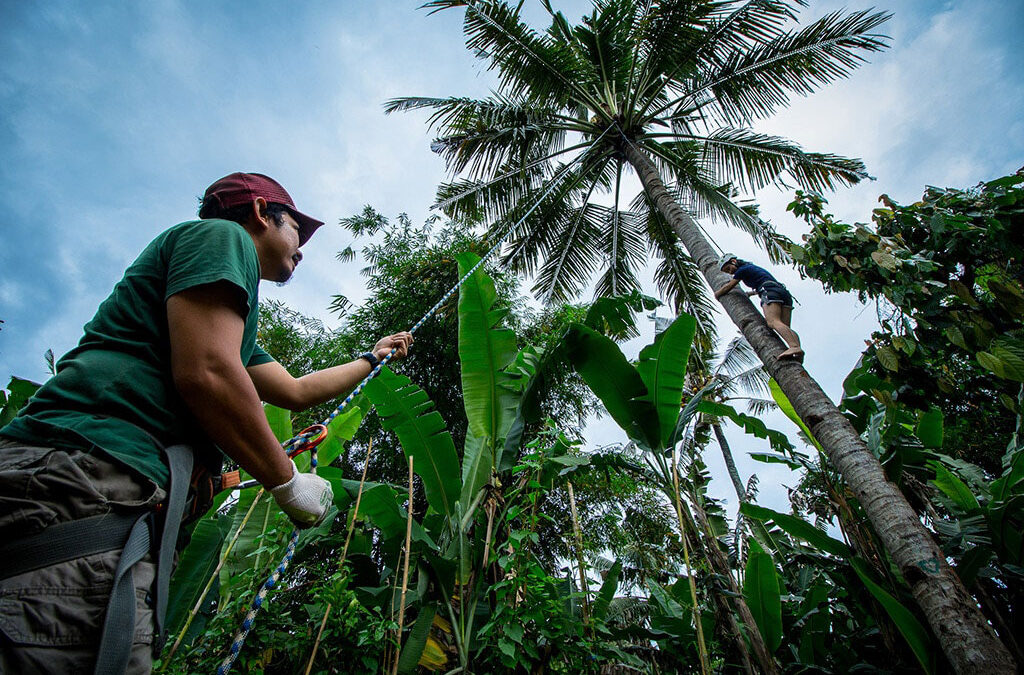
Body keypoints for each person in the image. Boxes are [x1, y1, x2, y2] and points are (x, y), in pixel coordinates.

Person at [0, 172, 413, 674]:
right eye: (296, 230)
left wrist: (372, 357)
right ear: (262, 213)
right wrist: (286, 482)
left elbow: (294, 390)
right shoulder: (223, 237)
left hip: (105, 492)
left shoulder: (226, 321)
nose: (301, 248)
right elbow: (209, 373)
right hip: (88, 479)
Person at [714, 253, 804, 361]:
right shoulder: (751, 267)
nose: (730, 272)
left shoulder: (741, 270)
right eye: (727, 272)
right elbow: (761, 281)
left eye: (728, 268)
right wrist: (749, 294)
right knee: (784, 326)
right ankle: (797, 348)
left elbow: (729, 286)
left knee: (773, 322)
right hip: (782, 292)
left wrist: (717, 294)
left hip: (769, 291)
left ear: (733, 261)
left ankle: (794, 347)